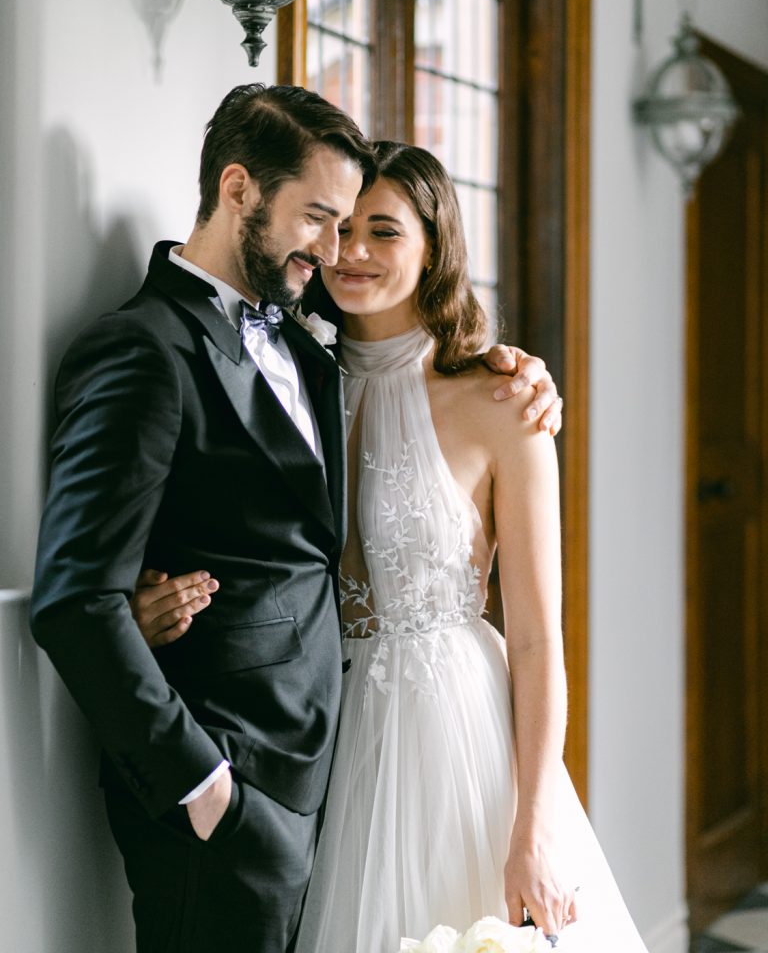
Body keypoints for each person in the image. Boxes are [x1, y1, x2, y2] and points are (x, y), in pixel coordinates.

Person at [29, 86, 561, 953]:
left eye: (358, 224)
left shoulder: (309, 345)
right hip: (232, 800)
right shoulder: (142, 346)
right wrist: (207, 793)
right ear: (238, 188)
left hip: (357, 776)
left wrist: (516, 370)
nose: (337, 248)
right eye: (321, 218)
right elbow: (74, 597)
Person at [133, 141, 648, 953]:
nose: (356, 252)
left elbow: (539, 637)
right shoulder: (290, 381)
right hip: (320, 742)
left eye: (386, 231)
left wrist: (535, 823)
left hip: (458, 744)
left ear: (435, 245)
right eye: (340, 227)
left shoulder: (505, 402)